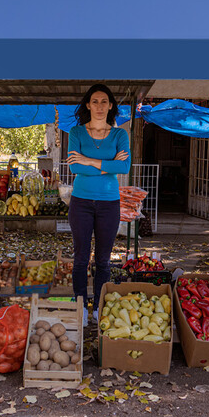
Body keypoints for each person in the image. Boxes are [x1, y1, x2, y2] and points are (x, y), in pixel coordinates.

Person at [67, 84, 130, 325]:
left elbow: (123, 167)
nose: (100, 106)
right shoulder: (76, 132)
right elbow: (75, 167)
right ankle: (81, 307)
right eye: (95, 101)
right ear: (88, 105)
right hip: (81, 202)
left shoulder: (119, 135)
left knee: (103, 260)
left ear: (111, 105)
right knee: (81, 258)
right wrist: (106, 163)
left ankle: (99, 307)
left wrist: (89, 160)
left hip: (109, 203)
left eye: (104, 101)